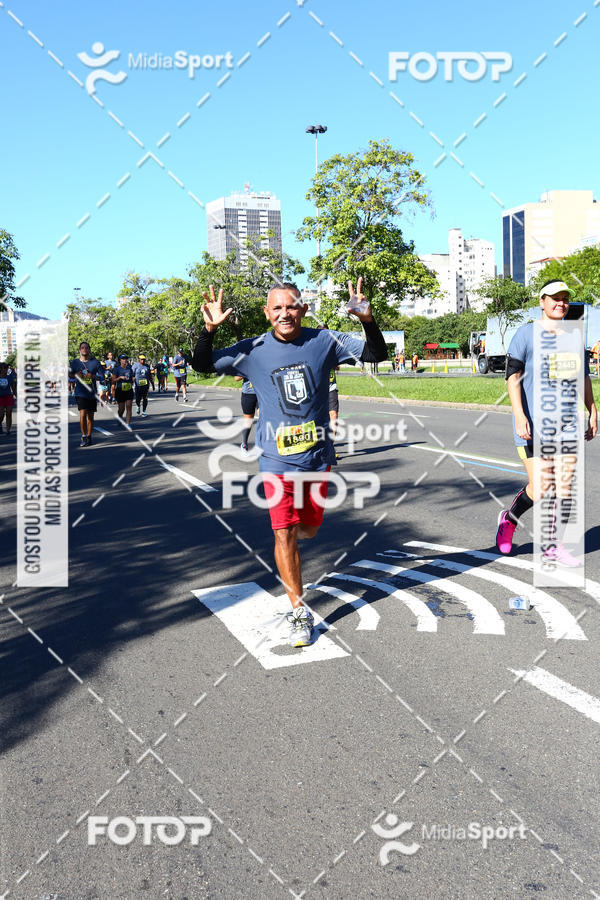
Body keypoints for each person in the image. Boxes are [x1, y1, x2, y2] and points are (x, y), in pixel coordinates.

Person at [193, 279, 387, 647]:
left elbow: (376, 354)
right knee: (283, 533)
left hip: (316, 459)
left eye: (292, 306)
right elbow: (202, 364)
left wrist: (368, 320)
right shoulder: (252, 349)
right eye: (277, 308)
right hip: (275, 460)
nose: (285, 313)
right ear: (267, 313)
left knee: (309, 529)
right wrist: (209, 330)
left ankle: (292, 545)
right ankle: (299, 611)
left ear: (304, 309)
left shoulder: (325, 341)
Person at [495, 280, 597, 565]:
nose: (561, 303)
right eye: (555, 298)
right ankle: (509, 519)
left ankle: (554, 545)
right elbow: (512, 377)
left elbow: (583, 378)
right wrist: (518, 414)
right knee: (541, 487)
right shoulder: (526, 334)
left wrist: (592, 408)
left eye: (565, 299)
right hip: (533, 426)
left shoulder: (574, 337)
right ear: (542, 301)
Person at [69, 341, 104, 446]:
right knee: (82, 413)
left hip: (92, 393)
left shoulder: (95, 362)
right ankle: (83, 436)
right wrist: (76, 375)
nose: (84, 349)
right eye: (82, 348)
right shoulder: (74, 362)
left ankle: (89, 436)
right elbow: (69, 375)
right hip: (80, 393)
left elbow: (102, 377)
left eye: (86, 348)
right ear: (80, 350)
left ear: (89, 350)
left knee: (90, 416)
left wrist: (92, 376)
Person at [234, 375, 258, 451]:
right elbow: (236, 378)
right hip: (248, 394)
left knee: (263, 419)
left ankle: (262, 445)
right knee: (248, 422)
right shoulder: (245, 362)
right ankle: (244, 444)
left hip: (261, 393)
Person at [112, 353, 135, 424]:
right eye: (123, 359)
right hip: (120, 390)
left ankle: (128, 424)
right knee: (121, 409)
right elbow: (113, 380)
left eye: (126, 359)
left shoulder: (130, 369)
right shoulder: (117, 369)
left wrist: (133, 379)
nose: (125, 360)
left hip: (128, 390)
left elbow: (132, 378)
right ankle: (120, 416)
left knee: (129, 406)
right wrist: (119, 378)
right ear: (120, 360)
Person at [132, 352, 154, 417]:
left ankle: (144, 411)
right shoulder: (135, 365)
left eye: (144, 359)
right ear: (139, 359)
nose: (143, 360)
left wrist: (152, 385)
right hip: (138, 385)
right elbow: (132, 375)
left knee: (145, 398)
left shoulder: (147, 366)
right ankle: (138, 406)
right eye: (141, 359)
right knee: (138, 398)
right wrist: (132, 382)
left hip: (146, 385)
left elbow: (150, 376)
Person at [0, 361, 17, 434]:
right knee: (1, 414)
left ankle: (8, 430)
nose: (5, 370)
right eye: (4, 368)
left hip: (8, 397)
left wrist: (17, 396)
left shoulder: (9, 377)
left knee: (9, 413)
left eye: (6, 368)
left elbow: (13, 388)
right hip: (0, 398)